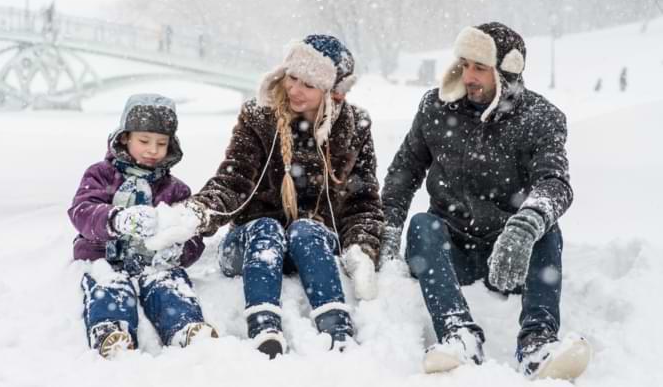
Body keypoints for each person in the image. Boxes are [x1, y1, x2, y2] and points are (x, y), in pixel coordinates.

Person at [380, 22, 590, 380]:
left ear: (506, 72)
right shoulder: (435, 107)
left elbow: (555, 182)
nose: (469, 76)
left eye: (480, 67)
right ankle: (458, 334)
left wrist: (524, 227)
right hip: (452, 250)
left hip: (511, 255)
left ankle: (538, 343)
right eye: (464, 64)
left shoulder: (541, 118)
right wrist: (386, 230)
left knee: (546, 227)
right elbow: (404, 173)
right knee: (421, 225)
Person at [168, 35, 383, 359]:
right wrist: (197, 213)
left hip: (310, 247)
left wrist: (362, 248)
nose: (294, 89)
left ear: (331, 91)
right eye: (292, 77)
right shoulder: (259, 116)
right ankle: (264, 327)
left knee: (307, 229)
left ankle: (337, 327)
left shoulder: (355, 126)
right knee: (266, 227)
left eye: (308, 84)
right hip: (251, 243)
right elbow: (233, 181)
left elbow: (362, 199)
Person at [68, 94, 218, 358]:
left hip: (153, 262)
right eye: (144, 141)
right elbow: (82, 211)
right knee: (109, 285)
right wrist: (116, 219)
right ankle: (111, 330)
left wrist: (179, 250)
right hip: (104, 257)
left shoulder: (175, 189)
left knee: (169, 284)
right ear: (125, 137)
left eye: (161, 143)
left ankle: (185, 327)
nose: (153, 150)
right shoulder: (100, 175)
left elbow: (191, 234)